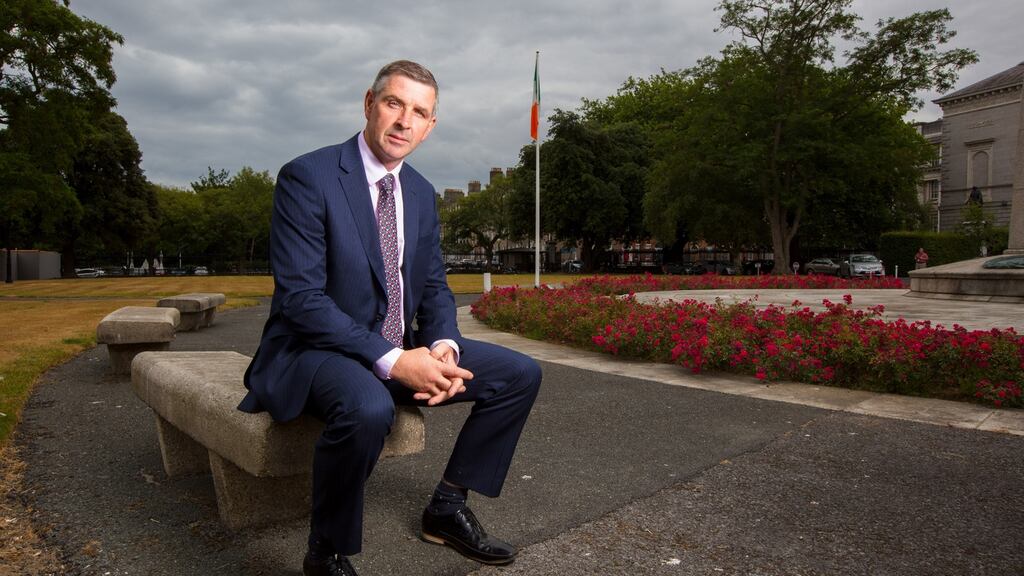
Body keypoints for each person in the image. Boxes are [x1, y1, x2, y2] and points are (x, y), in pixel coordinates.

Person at [240, 60, 542, 576]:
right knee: (369, 407)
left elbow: (434, 286)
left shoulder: (421, 192)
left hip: (398, 348)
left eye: (419, 112)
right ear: (369, 104)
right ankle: (326, 552)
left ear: (430, 126)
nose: (405, 121)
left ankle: (446, 508)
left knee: (519, 374)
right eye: (394, 103)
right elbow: (301, 300)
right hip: (313, 352)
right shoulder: (308, 177)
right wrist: (396, 360)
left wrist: (443, 345)